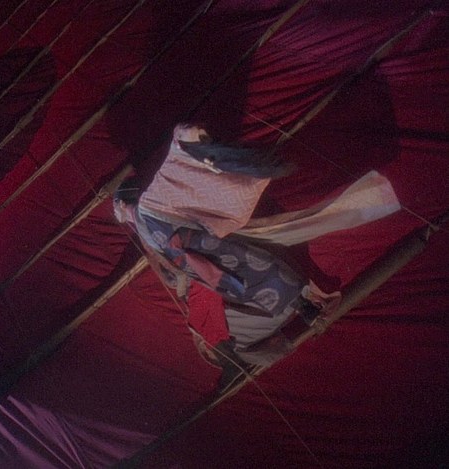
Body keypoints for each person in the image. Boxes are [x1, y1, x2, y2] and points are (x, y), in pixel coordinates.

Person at [114, 123, 399, 392]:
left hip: (262, 278)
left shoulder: (245, 328)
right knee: (166, 228)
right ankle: (187, 153)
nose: (200, 345)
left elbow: (180, 264)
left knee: (205, 238)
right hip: (233, 266)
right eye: (205, 350)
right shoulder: (209, 327)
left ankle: (221, 170)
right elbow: (193, 270)